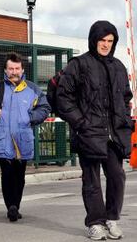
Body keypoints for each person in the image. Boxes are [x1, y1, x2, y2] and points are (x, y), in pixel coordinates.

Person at [57, 20, 133, 240]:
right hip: (88, 132)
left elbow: (125, 98)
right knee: (91, 181)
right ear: (94, 40)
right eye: (102, 40)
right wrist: (80, 122)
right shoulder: (78, 65)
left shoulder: (119, 66)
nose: (106, 44)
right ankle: (95, 223)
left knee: (117, 176)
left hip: (114, 134)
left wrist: (125, 120)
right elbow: (63, 98)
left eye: (110, 41)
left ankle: (112, 218)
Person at [0, 52, 50, 222]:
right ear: (5, 70)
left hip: (23, 139)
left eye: (17, 68)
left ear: (22, 69)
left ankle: (15, 205)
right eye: (11, 68)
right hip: (2, 138)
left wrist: (30, 118)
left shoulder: (32, 89)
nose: (14, 72)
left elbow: (44, 107)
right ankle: (11, 206)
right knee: (7, 173)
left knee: (20, 175)